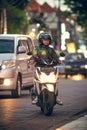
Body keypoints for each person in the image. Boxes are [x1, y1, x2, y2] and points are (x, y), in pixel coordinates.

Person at [30, 32, 63, 105]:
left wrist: (59, 61)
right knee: (37, 81)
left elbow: (56, 57)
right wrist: (32, 60)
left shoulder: (51, 49)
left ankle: (56, 97)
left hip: (51, 68)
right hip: (40, 68)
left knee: (55, 81)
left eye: (47, 40)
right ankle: (37, 97)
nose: (46, 41)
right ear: (41, 40)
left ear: (49, 41)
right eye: (44, 40)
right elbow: (33, 56)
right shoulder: (37, 49)